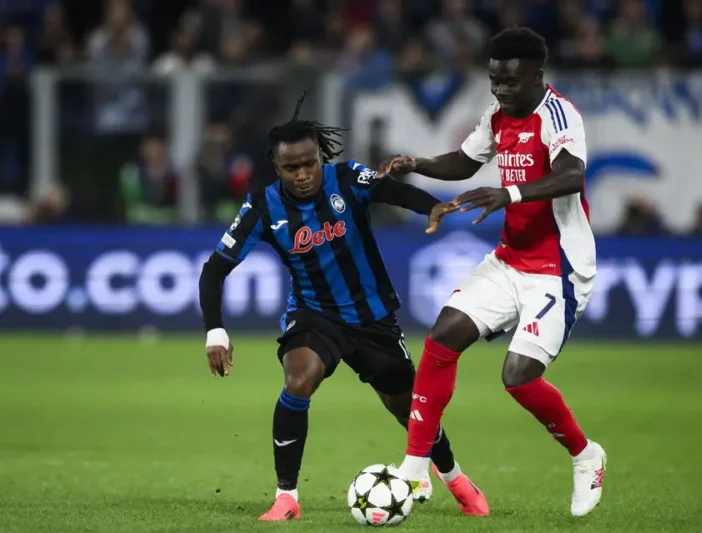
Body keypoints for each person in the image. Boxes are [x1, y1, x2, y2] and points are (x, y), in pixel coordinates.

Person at [198, 92, 489, 522]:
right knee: (299, 380)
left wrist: (432, 206)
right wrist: (216, 331)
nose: (302, 175)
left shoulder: (348, 178)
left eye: (309, 163)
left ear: (321, 157)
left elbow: (391, 190)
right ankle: (286, 498)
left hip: (373, 318)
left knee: (408, 407)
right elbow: (214, 270)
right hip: (314, 315)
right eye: (291, 168)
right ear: (276, 167)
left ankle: (455, 478)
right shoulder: (261, 207)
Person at [379, 28, 606, 517]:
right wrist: (416, 163)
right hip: (510, 259)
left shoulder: (559, 115)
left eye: (510, 81)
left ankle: (586, 455)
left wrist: (510, 193)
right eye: (494, 81)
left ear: (537, 76)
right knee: (442, 336)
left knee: (518, 377)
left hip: (559, 268)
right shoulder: (498, 116)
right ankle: (414, 469)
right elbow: (464, 162)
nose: (500, 90)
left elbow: (572, 175)